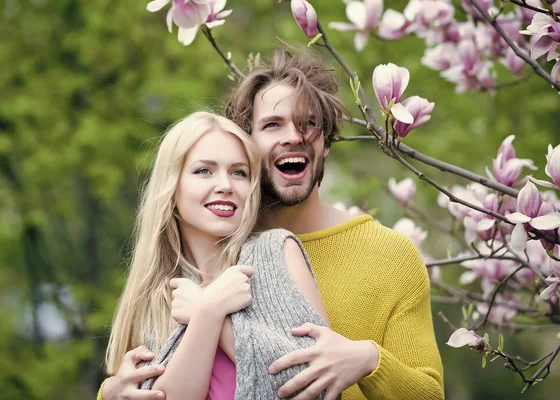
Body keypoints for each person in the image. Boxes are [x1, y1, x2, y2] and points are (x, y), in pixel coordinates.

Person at [102, 48, 445, 400]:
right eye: (272, 125)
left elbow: (430, 394)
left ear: (326, 142)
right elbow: (146, 375)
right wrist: (110, 393)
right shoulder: (208, 243)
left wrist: (370, 359)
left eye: (309, 124)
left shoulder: (388, 254)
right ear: (248, 144)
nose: (294, 137)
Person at [100, 111, 335, 400]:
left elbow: (316, 385)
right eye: (204, 171)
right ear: (172, 187)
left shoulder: (276, 252)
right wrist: (208, 314)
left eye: (239, 172)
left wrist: (210, 313)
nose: (225, 185)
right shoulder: (156, 296)